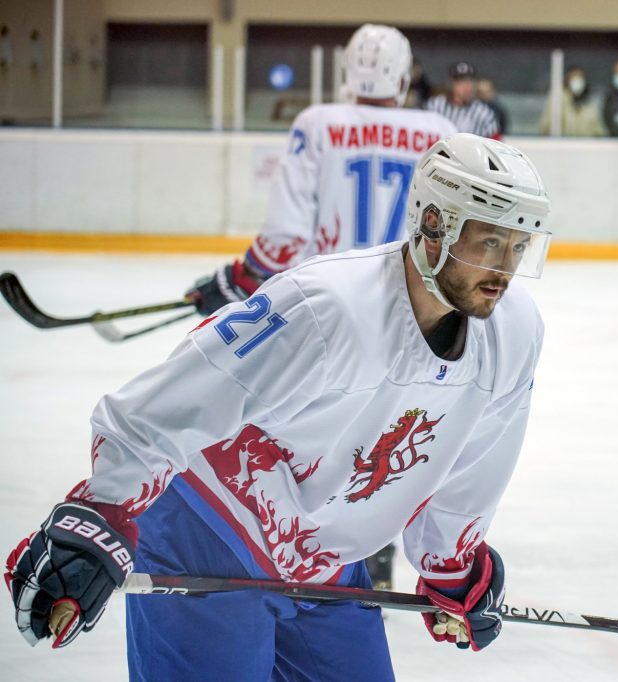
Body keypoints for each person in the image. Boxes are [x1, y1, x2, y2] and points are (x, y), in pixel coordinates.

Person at [5, 133, 553, 681]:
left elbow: (478, 461)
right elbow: (181, 394)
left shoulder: (514, 334)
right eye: (489, 242)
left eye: (518, 246)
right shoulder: (327, 306)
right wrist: (104, 509)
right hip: (210, 533)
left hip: (328, 561)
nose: (505, 267)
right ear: (434, 227)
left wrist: (451, 563)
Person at [186, 24, 457, 318]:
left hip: (328, 300)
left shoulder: (317, 124)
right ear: (403, 80)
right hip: (409, 305)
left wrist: (246, 274)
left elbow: (286, 230)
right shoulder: (439, 132)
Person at [425, 62, 501, 139]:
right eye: (461, 82)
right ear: (451, 83)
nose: (468, 86)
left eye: (471, 81)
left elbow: (496, 144)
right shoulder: (434, 106)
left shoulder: (484, 113)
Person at [539, 65, 604, 137]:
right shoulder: (558, 100)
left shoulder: (590, 103)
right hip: (563, 145)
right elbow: (546, 127)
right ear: (567, 80)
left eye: (580, 77)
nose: (577, 80)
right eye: (574, 77)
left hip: (587, 145)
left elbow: (598, 130)